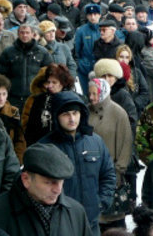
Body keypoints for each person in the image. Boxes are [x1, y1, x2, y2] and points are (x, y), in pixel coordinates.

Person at [38, 91, 116, 236]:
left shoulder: (95, 141)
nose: (72, 118)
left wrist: (101, 202)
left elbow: (108, 174)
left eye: (75, 113)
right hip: (59, 223)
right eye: (66, 114)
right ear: (56, 117)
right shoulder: (45, 147)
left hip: (91, 222)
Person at [0, 143, 93, 236]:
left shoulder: (76, 212)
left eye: (61, 182)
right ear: (26, 179)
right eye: (49, 182)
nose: (58, 190)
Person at [87, 78, 133, 231]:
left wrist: (118, 172)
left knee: (112, 219)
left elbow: (125, 144)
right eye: (90, 93)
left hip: (111, 174)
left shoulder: (118, 113)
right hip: (90, 173)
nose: (91, 97)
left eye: (95, 93)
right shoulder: (86, 111)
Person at [0, 24, 53, 109]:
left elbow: (50, 73)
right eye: (22, 33)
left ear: (32, 34)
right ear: (18, 34)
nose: (25, 35)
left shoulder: (42, 52)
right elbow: (1, 76)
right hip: (13, 97)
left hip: (36, 97)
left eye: (27, 32)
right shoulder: (8, 52)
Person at [0, 73, 26, 163]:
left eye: (4, 94)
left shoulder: (13, 111)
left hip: (9, 158)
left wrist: (18, 160)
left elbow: (19, 139)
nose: (1, 98)